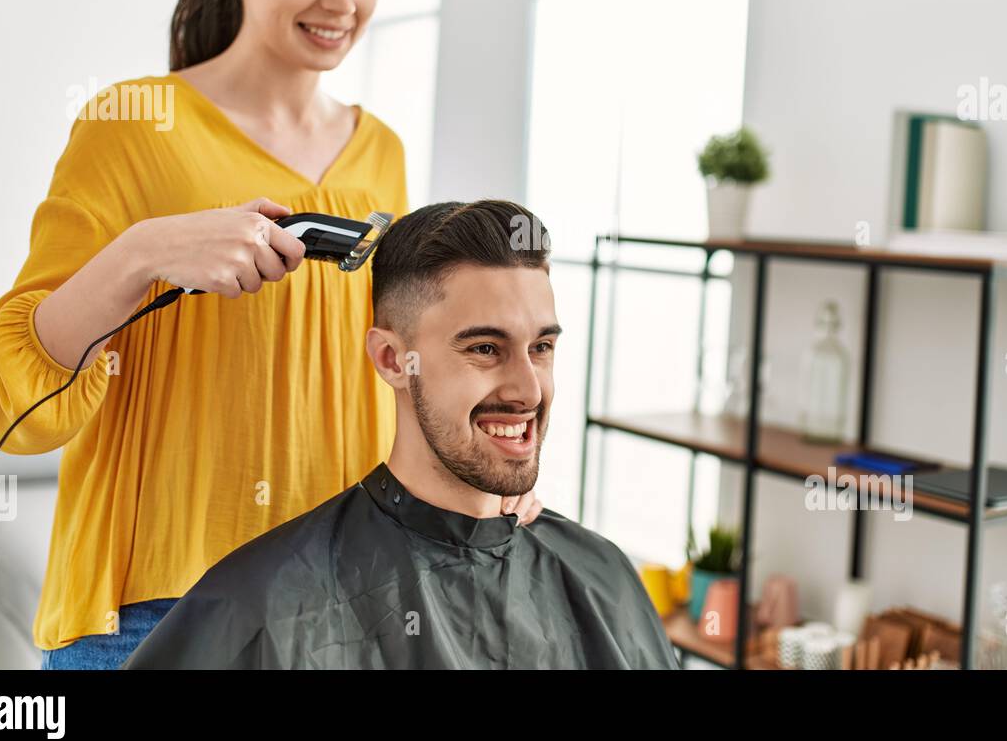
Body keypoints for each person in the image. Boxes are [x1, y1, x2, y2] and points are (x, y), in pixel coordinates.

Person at [0, 0, 541, 671]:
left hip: (345, 602)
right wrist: (144, 251)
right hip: (156, 609)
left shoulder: (380, 152)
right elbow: (7, 404)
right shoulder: (131, 124)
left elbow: (401, 367)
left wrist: (483, 485)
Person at [121, 200, 681, 669]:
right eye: (485, 349)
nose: (528, 390)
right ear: (392, 359)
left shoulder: (602, 577)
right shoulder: (262, 604)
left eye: (541, 347)